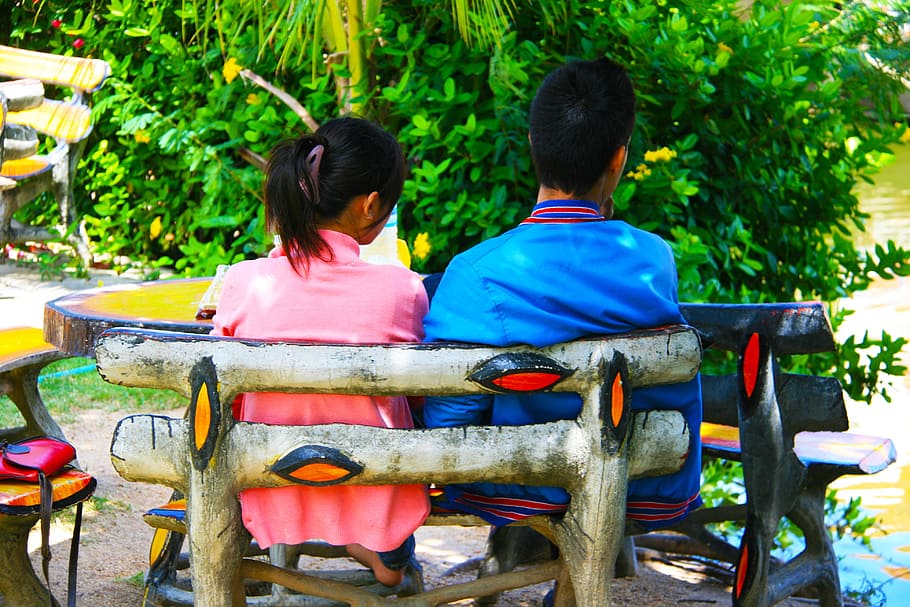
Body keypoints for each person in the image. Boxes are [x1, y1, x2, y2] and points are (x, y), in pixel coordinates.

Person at [422, 57, 702, 532]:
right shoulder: (653, 258)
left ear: (534, 143)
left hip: (521, 486)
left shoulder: (477, 272)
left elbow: (451, 421)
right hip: (641, 484)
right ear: (619, 157)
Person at [211, 117, 429, 588]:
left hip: (270, 487)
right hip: (378, 495)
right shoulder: (402, 289)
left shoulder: (244, 283)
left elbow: (221, 396)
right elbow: (417, 395)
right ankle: (381, 555)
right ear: (373, 206)